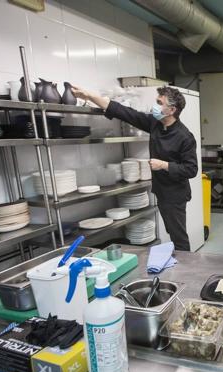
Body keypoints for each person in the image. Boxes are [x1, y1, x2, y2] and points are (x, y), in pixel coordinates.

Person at [71, 85, 198, 251]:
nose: (155, 106)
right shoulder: (155, 124)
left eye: (159, 103)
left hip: (175, 195)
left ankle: (186, 272)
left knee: (179, 238)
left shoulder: (184, 136)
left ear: (172, 109)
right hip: (162, 191)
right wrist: (89, 94)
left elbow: (191, 169)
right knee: (172, 232)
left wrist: (164, 165)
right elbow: (125, 112)